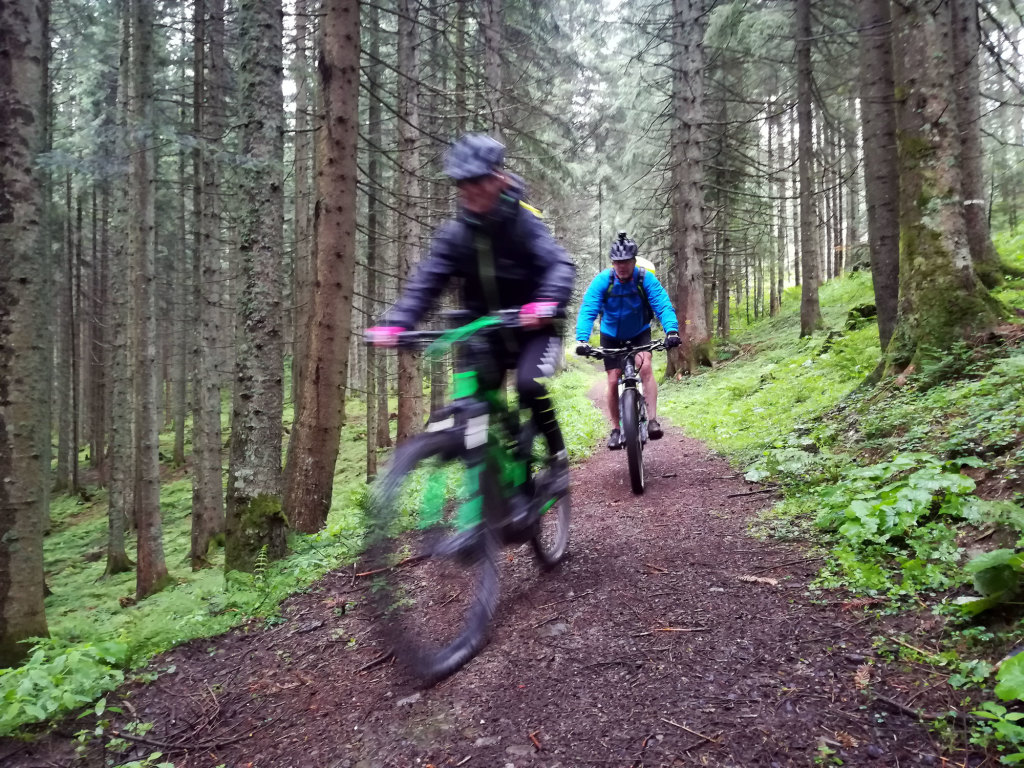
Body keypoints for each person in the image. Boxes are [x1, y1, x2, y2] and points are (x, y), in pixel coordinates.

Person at [366, 133, 576, 495]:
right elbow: (428, 281)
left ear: (499, 178)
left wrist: (546, 304)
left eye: (477, 179)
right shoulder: (456, 234)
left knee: (529, 386)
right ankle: (488, 505)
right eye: (462, 182)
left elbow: (559, 264)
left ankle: (557, 458)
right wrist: (399, 322)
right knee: (471, 407)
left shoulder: (524, 223)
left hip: (534, 329)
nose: (469, 189)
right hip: (484, 334)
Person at [575, 232, 681, 450]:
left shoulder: (644, 279)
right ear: (612, 263)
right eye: (617, 262)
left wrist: (671, 331)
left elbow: (661, 303)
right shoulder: (604, 281)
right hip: (611, 336)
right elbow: (589, 309)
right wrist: (582, 340)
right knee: (613, 380)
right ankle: (616, 429)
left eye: (626, 262)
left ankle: (652, 420)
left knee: (646, 367)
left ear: (634, 261)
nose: (621, 267)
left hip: (639, 331)